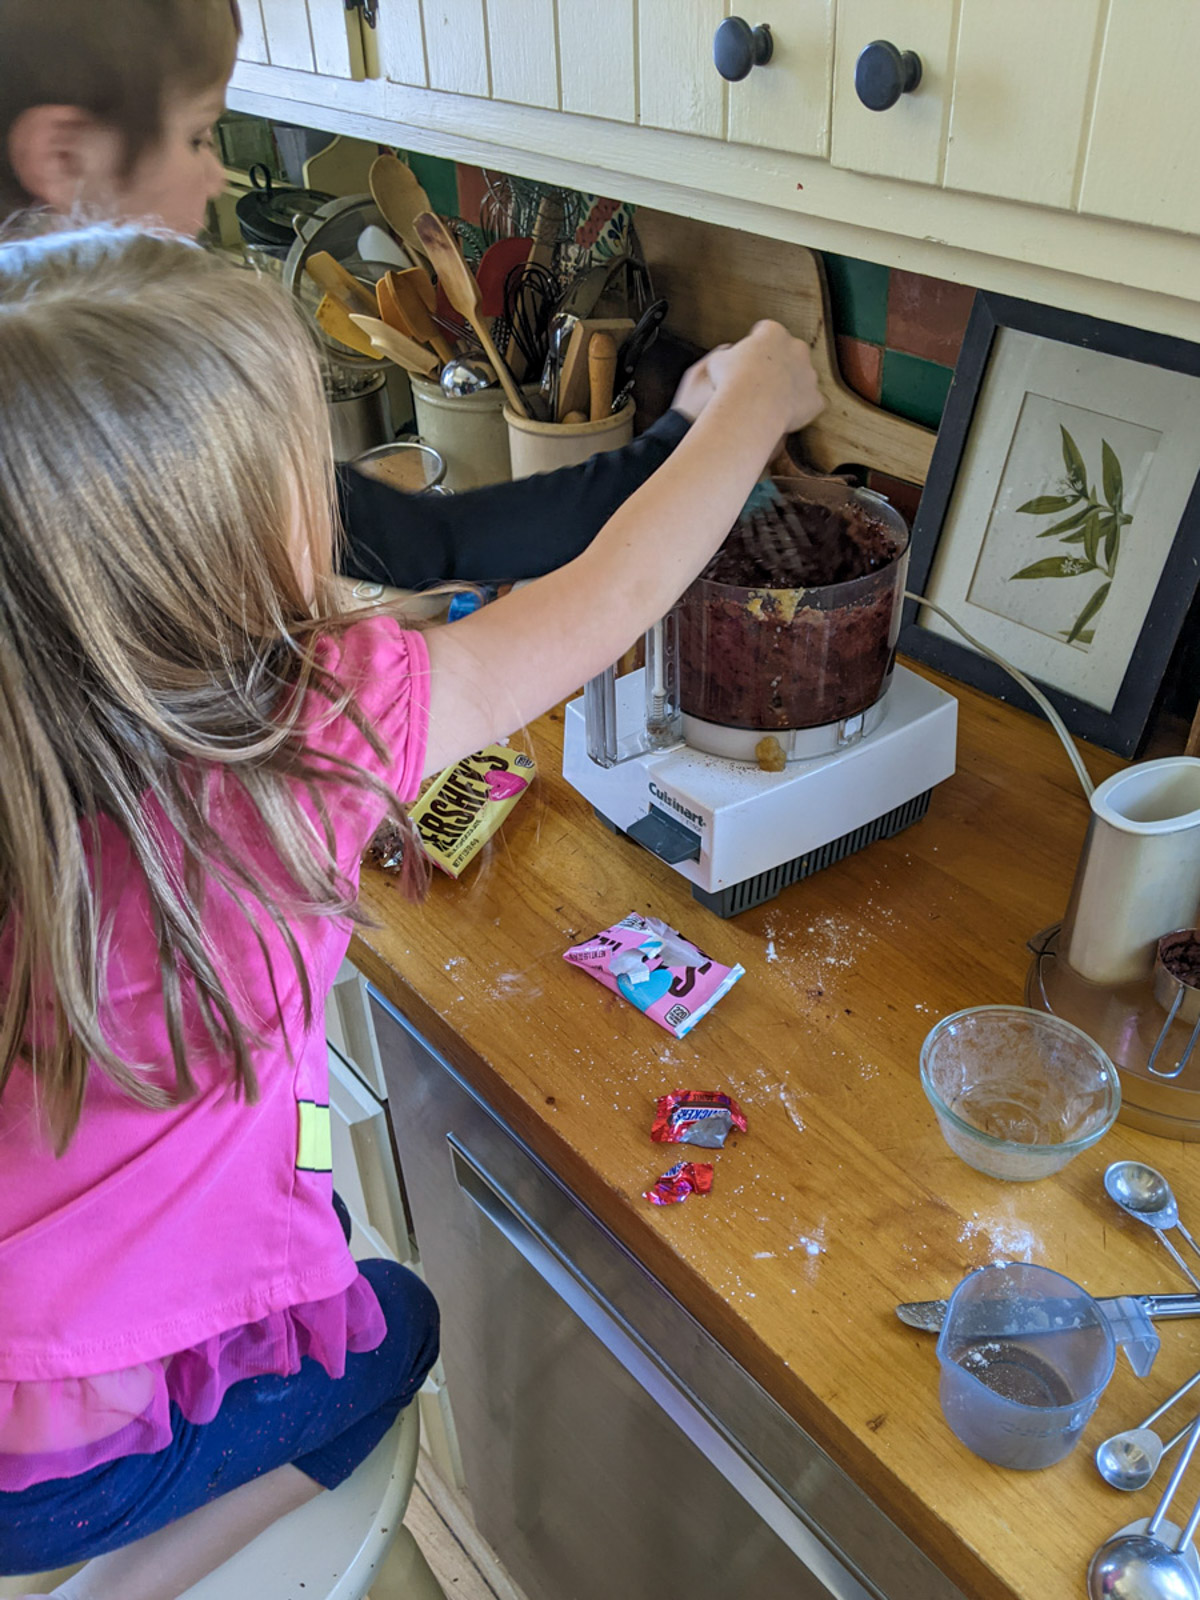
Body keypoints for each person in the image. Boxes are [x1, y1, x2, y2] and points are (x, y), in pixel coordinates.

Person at [0, 224, 822, 1598]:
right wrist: (758, 397)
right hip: (63, 1474)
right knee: (395, 1329)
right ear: (233, 535)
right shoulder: (306, 744)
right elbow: (614, 593)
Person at [0, 0, 719, 595]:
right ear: (63, 158)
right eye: (195, 138)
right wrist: (706, 428)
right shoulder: (125, 418)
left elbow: (421, 540)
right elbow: (433, 548)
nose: (216, 180)